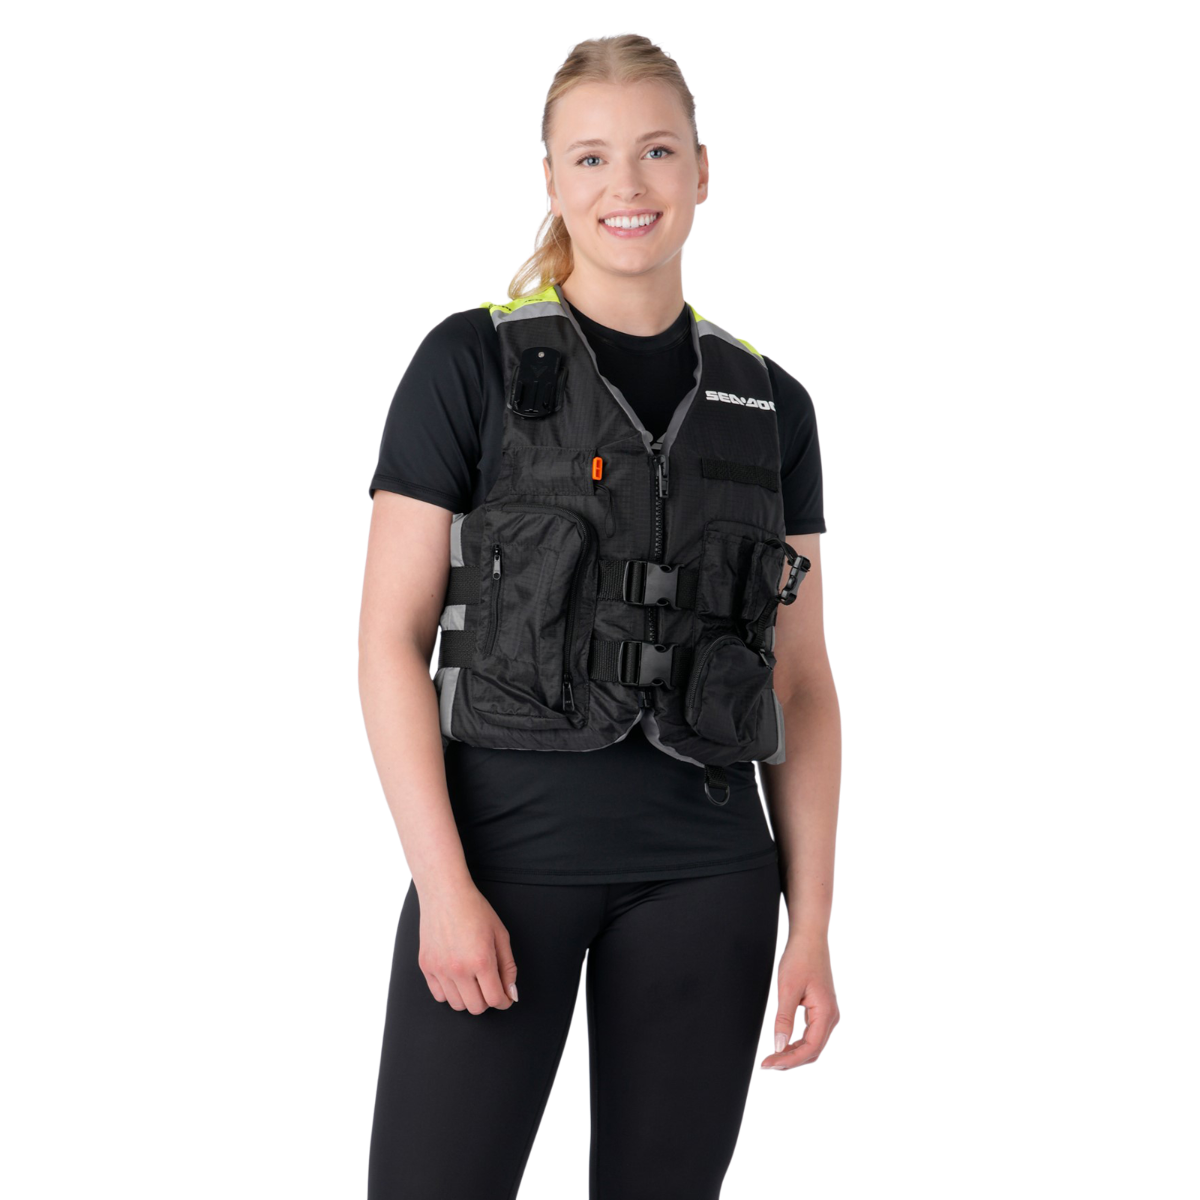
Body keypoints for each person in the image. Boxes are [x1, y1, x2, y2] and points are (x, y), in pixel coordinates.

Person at [358, 31, 841, 1200]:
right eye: (591, 157)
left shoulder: (771, 404)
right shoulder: (468, 361)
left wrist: (814, 927)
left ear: (702, 171)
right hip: (502, 863)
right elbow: (387, 642)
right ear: (552, 179)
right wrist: (443, 889)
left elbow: (804, 683)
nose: (627, 184)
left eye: (657, 151)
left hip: (708, 877)